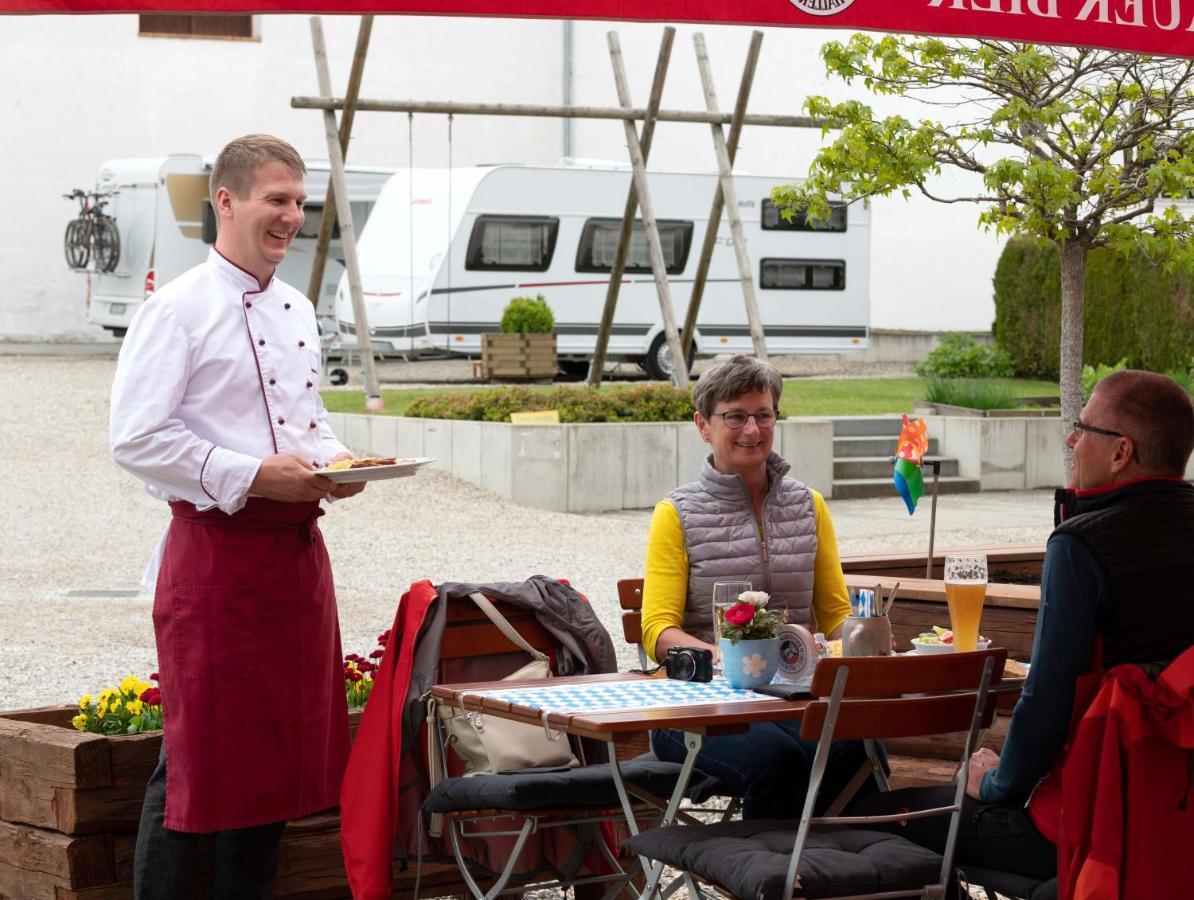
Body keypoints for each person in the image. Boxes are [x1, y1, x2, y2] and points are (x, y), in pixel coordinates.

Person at [110, 134, 366, 899]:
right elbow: (135, 437)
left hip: (294, 562)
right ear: (225, 201)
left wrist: (339, 463)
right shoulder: (177, 309)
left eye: (299, 201)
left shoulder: (295, 307)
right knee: (197, 765)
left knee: (275, 766)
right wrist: (252, 475)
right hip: (218, 561)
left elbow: (303, 424)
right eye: (276, 199)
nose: (292, 216)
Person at [855, 369, 1194, 881]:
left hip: (1087, 822)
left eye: (1082, 428)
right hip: (1178, 819)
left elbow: (1048, 698)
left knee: (864, 818)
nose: (1070, 439)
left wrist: (994, 784)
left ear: (1121, 452)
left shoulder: (1084, 545)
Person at [641, 354, 873, 819]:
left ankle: (845, 879)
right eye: (735, 416)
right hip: (696, 707)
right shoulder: (676, 513)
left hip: (796, 697)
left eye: (763, 414)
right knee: (778, 762)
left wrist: (862, 642)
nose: (752, 429)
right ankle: (769, 880)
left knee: (860, 753)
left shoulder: (810, 506)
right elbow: (656, 632)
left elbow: (834, 615)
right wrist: (729, 663)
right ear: (703, 426)